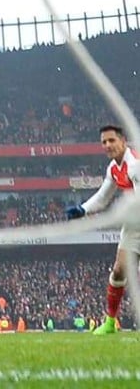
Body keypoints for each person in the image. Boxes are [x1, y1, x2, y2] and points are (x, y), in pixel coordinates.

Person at [65, 124, 140, 335]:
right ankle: (110, 323)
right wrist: (82, 210)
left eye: (112, 140)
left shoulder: (135, 165)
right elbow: (103, 197)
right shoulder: (113, 169)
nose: (108, 145)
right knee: (118, 271)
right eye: (104, 142)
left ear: (123, 141)